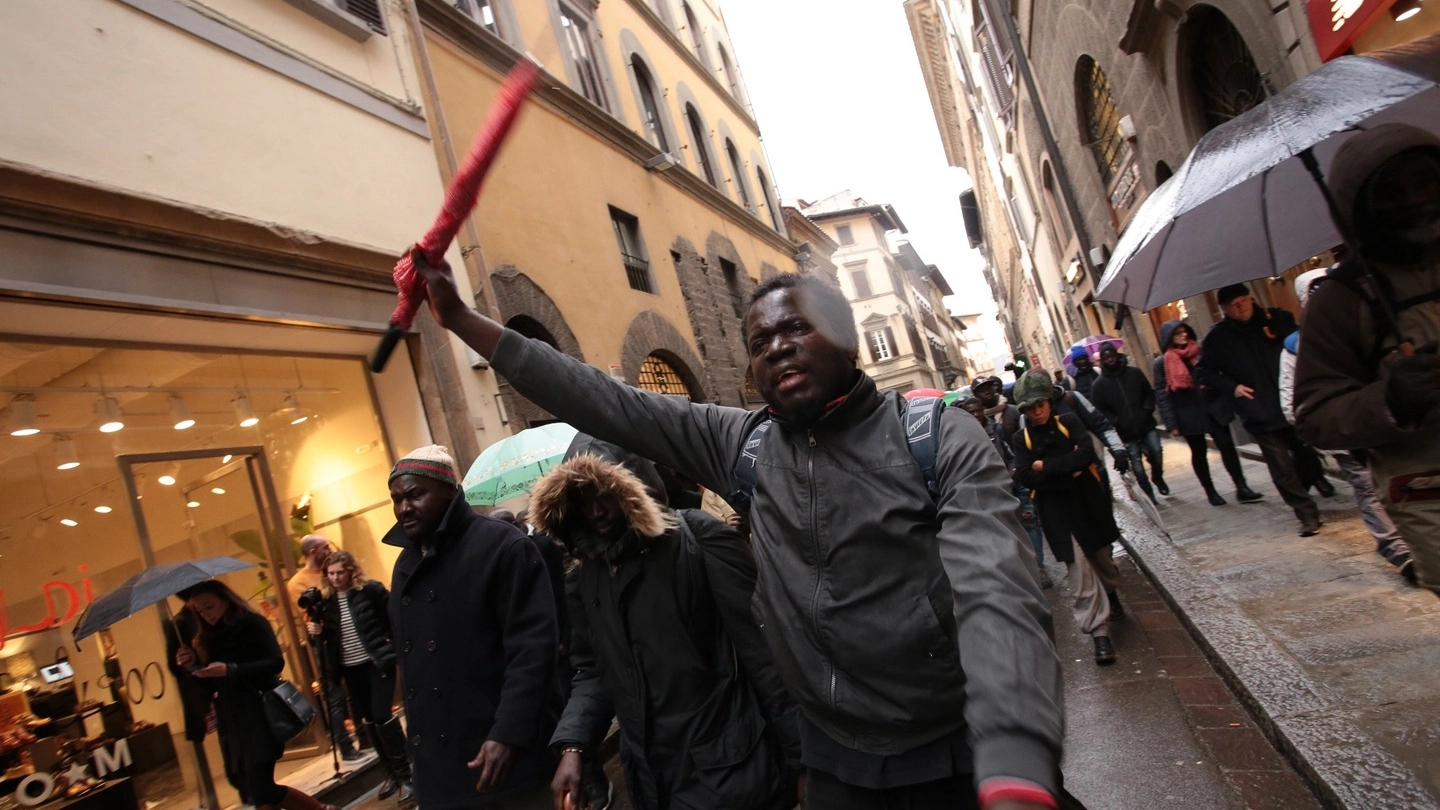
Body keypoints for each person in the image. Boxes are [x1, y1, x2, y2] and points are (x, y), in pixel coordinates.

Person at [412, 251, 1065, 810]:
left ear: (847, 341)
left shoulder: (936, 437)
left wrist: (1013, 755)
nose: (776, 345)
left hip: (959, 754)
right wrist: (461, 319)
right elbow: (604, 400)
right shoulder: (742, 444)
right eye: (759, 341)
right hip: (839, 766)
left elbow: (996, 590)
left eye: (797, 329)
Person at [535, 438, 801, 810]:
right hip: (652, 778)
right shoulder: (586, 577)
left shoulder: (699, 539)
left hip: (732, 768)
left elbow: (764, 652)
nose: (597, 511)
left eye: (606, 494)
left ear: (635, 486)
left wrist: (802, 759)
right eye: (582, 499)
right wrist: (573, 744)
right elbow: (594, 671)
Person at [1294, 123, 1440, 594]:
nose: (1417, 199)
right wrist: (1391, 400)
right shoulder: (1342, 299)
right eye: (1394, 191)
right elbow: (1316, 416)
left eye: (1424, 181)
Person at [385, 445, 560, 809]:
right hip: (440, 773)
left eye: (416, 494)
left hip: (502, 757)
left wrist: (509, 733)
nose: (404, 508)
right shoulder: (404, 565)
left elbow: (532, 649)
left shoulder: (501, 545)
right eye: (396, 499)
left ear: (449, 490)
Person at [1281, 270, 1416, 583]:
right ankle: (1397, 548)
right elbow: (1300, 405)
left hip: (1405, 428)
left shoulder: (1382, 312)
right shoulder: (1296, 346)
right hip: (1358, 434)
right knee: (1369, 488)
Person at [174, 580, 338, 810]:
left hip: (258, 712)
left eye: (209, 606)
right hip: (231, 720)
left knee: (261, 787)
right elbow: (209, 686)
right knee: (253, 791)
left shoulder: (251, 623)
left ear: (224, 599)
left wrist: (231, 669)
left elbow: (274, 662)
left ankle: (320, 809)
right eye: (199, 610)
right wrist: (191, 666)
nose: (205, 614)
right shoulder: (204, 637)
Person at [1199, 283, 1334, 537]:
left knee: (1306, 456)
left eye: (1244, 301)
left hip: (1291, 399)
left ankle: (1306, 486)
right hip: (1258, 408)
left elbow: (1300, 344)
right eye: (1234, 305)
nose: (1241, 307)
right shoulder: (1217, 338)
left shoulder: (1277, 319)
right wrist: (1233, 387)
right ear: (1224, 309)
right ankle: (1306, 513)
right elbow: (1204, 371)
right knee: (1281, 465)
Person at [1010, 371, 1123, 666]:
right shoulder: (1020, 439)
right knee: (1079, 571)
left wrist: (1045, 466)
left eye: (1041, 405)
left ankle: (1112, 593)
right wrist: (1064, 472)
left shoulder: (1069, 422)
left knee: (1102, 560)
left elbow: (1085, 454)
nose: (1037, 413)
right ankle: (1099, 633)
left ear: (1049, 401)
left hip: (1087, 504)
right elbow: (1025, 475)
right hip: (1056, 513)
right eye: (1030, 409)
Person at [305, 551, 414, 804]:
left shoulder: (370, 590)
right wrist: (315, 631)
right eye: (330, 574)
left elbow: (392, 616)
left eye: (339, 572)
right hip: (349, 669)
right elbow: (322, 643)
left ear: (351, 570)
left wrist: (392, 645)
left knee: (382, 715)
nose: (335, 578)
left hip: (375, 662)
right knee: (368, 721)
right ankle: (391, 773)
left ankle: (406, 775)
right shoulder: (325, 603)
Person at [1153, 320, 1263, 507]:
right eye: (1178, 333)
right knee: (1199, 452)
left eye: (1185, 331)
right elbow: (1162, 395)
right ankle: (1211, 492)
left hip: (1212, 406)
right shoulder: (1163, 362)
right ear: (1168, 338)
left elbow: (1214, 374)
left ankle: (1242, 487)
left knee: (1227, 445)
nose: (1183, 335)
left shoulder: (1199, 352)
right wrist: (1171, 423)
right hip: (1188, 413)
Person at [287, 534, 359, 760]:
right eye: (324, 547)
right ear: (312, 552)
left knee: (356, 689)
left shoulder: (335, 568)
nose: (329, 549)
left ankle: (364, 734)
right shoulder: (298, 582)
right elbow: (309, 613)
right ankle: (344, 745)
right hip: (325, 640)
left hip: (347, 634)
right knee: (334, 695)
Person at [1089, 343, 1165, 502]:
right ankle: (1149, 496)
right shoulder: (1099, 385)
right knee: (1137, 465)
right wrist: (1116, 421)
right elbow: (1101, 410)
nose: (1110, 359)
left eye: (1112, 355)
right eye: (1106, 357)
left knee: (1157, 451)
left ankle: (1157, 477)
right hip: (1125, 432)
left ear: (1117, 355)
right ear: (1102, 361)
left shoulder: (1134, 373)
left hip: (1146, 423)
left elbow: (1148, 393)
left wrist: (1146, 410)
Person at [972, 374, 1021, 440]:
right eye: (982, 390)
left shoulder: (1014, 411)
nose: (987, 392)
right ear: (976, 395)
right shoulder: (976, 420)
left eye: (989, 388)